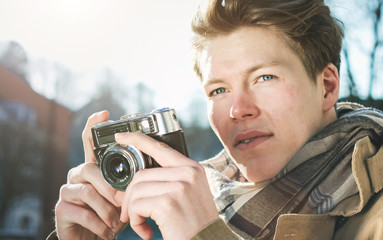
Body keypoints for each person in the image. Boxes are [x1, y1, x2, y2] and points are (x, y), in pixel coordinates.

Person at [50, 0, 383, 239]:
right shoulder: (188, 208)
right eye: (219, 90)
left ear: (326, 87)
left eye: (264, 78)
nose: (238, 109)